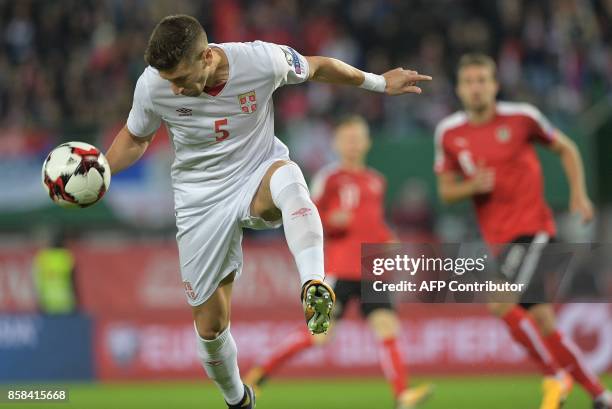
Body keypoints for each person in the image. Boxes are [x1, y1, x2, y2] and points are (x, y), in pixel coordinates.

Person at [104, 15, 431, 409]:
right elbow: (136, 138)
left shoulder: (260, 61)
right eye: (168, 80)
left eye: (181, 77)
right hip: (199, 200)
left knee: (289, 179)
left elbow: (318, 66)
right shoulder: (153, 85)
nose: (174, 87)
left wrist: (378, 82)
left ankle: (313, 285)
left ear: (207, 56)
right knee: (210, 327)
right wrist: (102, 173)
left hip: (258, 172)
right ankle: (238, 397)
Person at [433, 53, 611, 409]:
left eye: (483, 80)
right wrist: (471, 187)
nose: (476, 88)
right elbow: (446, 191)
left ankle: (553, 374)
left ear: (495, 85)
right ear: (459, 89)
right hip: (498, 240)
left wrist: (578, 194)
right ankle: (600, 395)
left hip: (534, 228)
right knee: (543, 321)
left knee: (498, 299)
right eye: (469, 82)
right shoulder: (449, 132)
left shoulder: (522, 118)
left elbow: (567, 148)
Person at [245, 116, 433, 409]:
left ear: (368, 142)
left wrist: (387, 237)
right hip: (338, 269)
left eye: (358, 138)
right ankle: (260, 373)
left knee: (387, 327)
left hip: (371, 270)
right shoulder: (329, 178)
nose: (354, 144)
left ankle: (401, 395)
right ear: (337, 143)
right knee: (319, 335)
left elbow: (372, 222)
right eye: (348, 139)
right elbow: (307, 216)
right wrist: (332, 219)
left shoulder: (376, 180)